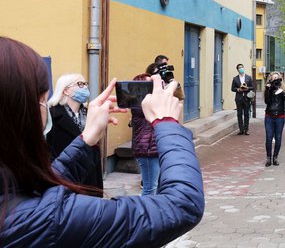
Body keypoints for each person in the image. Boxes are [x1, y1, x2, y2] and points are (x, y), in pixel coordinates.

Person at [0, 36, 204, 246]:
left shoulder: (12, 191)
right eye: (42, 100)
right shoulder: (48, 220)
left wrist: (86, 139)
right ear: (18, 112)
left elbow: (37, 188)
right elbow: (182, 206)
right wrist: (168, 123)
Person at [46, 74, 103, 195]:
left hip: (90, 177)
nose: (85, 88)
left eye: (85, 84)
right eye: (80, 84)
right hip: (66, 178)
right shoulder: (52, 115)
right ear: (66, 90)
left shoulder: (89, 114)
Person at [130, 73, 159, 196]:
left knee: (155, 186)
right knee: (150, 188)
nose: (152, 87)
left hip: (153, 148)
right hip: (146, 150)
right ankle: (145, 213)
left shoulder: (150, 101)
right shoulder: (139, 104)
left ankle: (153, 211)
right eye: (148, 84)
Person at [263, 72, 285, 167]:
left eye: (276, 78)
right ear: (270, 79)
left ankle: (275, 157)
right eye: (273, 78)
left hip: (280, 117)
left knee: (278, 138)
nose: (275, 80)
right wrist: (268, 90)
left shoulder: (283, 88)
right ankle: (268, 158)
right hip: (269, 116)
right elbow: (266, 101)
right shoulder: (268, 88)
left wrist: (281, 92)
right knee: (268, 138)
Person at [231, 63, 254, 135]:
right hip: (239, 98)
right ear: (237, 70)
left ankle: (246, 129)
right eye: (239, 68)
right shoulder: (235, 79)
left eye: (242, 67)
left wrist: (247, 88)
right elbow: (232, 89)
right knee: (239, 114)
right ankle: (241, 129)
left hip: (247, 98)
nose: (241, 69)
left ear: (243, 68)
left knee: (247, 114)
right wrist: (238, 89)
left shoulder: (248, 77)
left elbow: (252, 87)